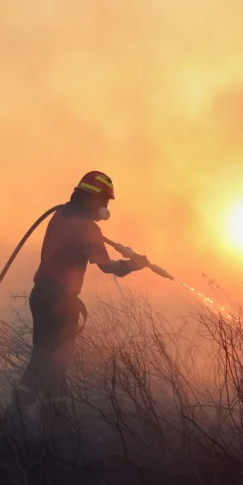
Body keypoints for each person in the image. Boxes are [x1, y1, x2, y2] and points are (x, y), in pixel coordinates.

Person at [16, 170, 150, 413]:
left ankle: (22, 414)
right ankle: (50, 419)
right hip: (60, 303)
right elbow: (109, 267)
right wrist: (133, 264)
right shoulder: (87, 228)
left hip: (41, 296)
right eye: (104, 201)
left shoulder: (60, 216)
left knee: (42, 358)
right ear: (92, 199)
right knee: (56, 362)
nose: (106, 207)